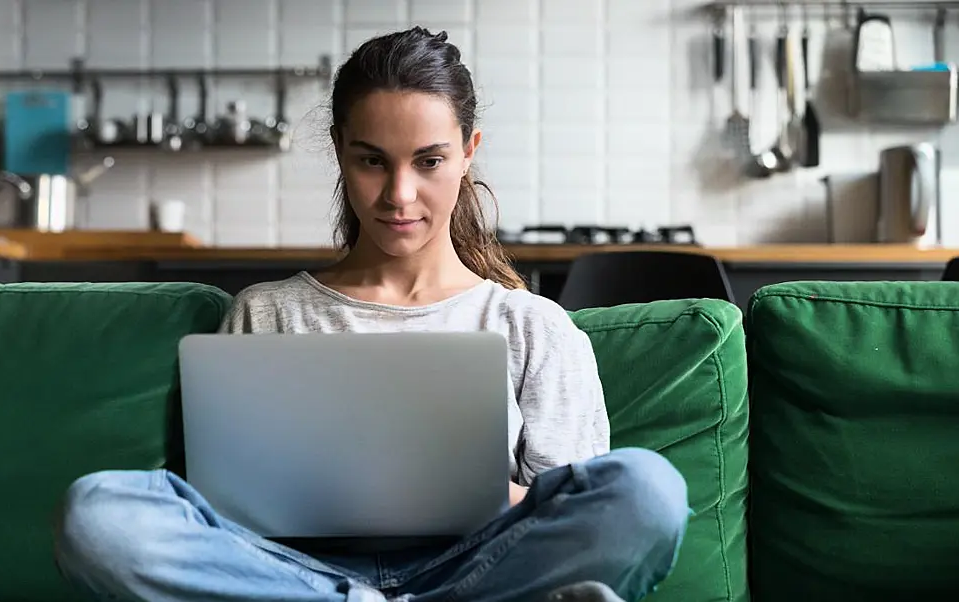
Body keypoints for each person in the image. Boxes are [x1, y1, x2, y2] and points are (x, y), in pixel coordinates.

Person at [53, 27, 689, 602]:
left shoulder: (533, 325)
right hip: (288, 571)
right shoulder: (266, 314)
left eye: (429, 161)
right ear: (340, 151)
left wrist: (471, 495)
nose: (399, 195)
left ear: (469, 152)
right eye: (372, 160)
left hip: (475, 569)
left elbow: (570, 511)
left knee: (646, 489)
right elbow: (222, 515)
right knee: (100, 513)